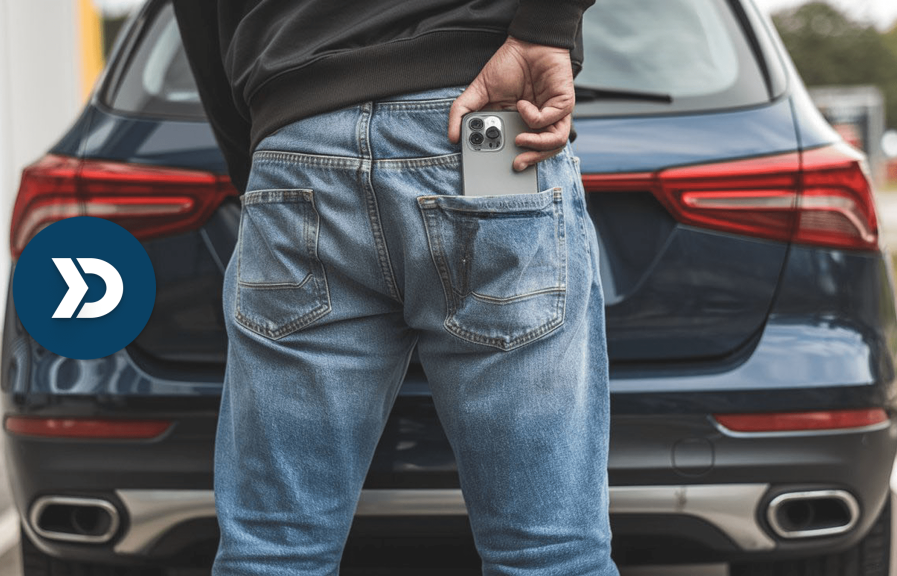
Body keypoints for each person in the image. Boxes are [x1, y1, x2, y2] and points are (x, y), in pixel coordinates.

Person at [172, 1, 616, 574]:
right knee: (547, 553)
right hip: (486, 122)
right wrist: (544, 29)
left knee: (274, 552)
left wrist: (262, 151)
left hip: (298, 136)